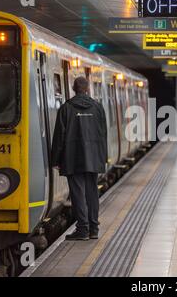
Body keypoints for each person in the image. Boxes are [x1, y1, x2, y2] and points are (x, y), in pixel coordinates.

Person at [52, 76, 107, 240]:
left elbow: (59, 137)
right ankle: (94, 229)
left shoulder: (66, 108)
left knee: (78, 194)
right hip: (93, 157)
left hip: (72, 157)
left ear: (73, 88)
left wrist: (55, 160)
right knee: (92, 192)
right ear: (88, 89)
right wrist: (102, 157)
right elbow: (103, 134)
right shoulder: (98, 108)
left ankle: (82, 229)